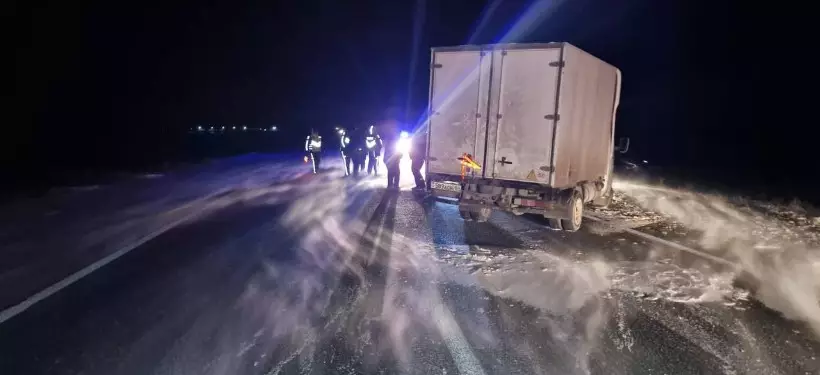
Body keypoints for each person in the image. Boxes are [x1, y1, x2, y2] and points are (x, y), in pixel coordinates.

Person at [380, 121, 401, 189]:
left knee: (392, 172)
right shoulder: (393, 139)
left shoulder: (392, 138)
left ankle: (392, 185)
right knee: (395, 172)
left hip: (393, 158)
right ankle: (393, 185)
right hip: (392, 158)